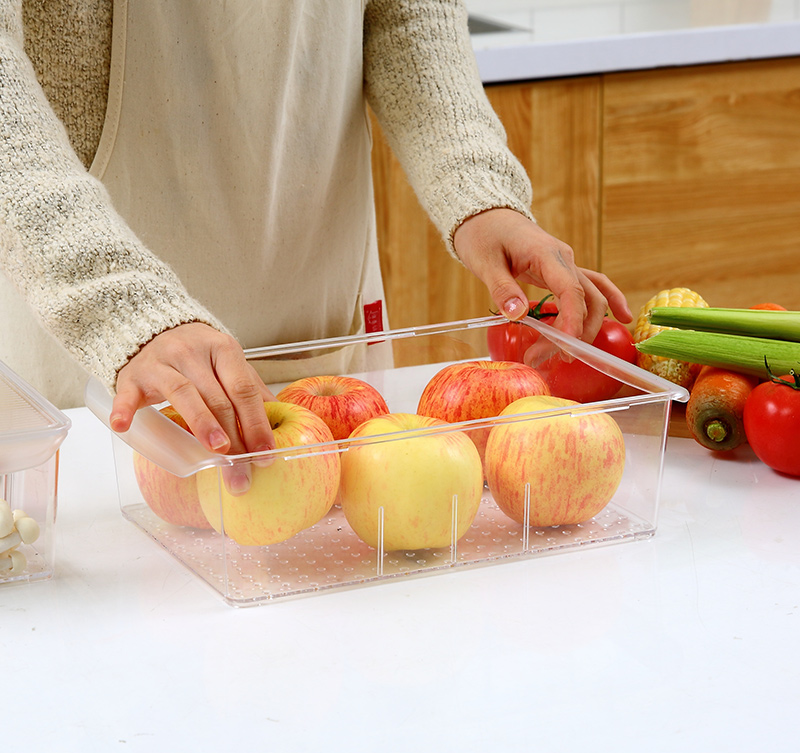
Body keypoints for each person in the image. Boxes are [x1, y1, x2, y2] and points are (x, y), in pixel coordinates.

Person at [1, 1, 631, 479]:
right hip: (99, 355)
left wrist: (478, 194)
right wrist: (120, 307)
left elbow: (407, 16)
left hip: (324, 331)